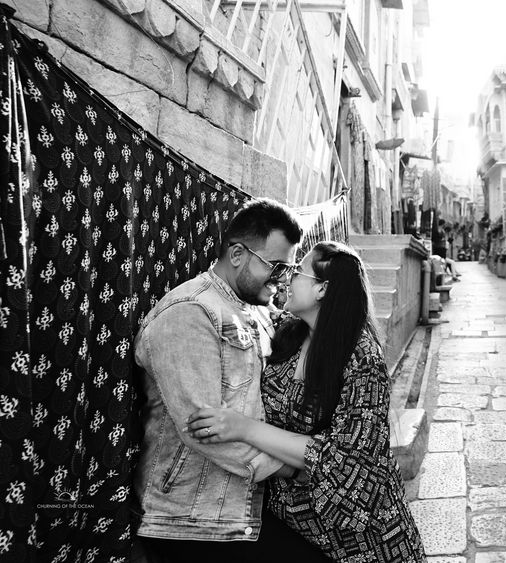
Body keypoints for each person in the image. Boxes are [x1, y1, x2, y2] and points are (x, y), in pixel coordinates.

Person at [185, 241, 425, 562]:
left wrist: (244, 429)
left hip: (362, 540)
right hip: (293, 527)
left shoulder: (362, 359)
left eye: (298, 272)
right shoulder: (287, 336)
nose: (286, 278)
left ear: (322, 290)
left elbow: (348, 462)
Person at [133, 199, 321, 561]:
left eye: (289, 267)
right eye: (276, 265)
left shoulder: (254, 311)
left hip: (242, 506)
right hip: (190, 519)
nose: (282, 277)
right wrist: (291, 469)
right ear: (237, 254)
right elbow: (204, 429)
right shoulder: (190, 313)